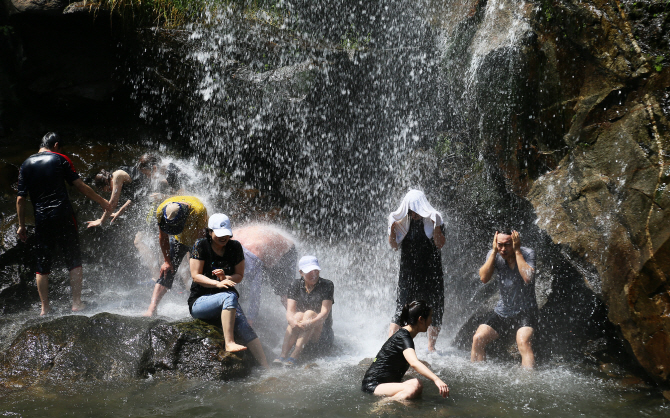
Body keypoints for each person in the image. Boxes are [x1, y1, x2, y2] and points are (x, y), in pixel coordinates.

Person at [16, 132, 112, 315]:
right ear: (56, 145)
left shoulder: (26, 164)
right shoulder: (60, 159)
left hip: (42, 218)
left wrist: (21, 225)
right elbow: (81, 186)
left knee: (42, 263)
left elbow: (20, 199)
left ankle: (45, 308)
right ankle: (77, 303)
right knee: (73, 258)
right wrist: (102, 202)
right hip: (64, 215)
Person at [188, 213, 268, 367]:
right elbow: (195, 276)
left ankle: (266, 367)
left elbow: (239, 275)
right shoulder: (201, 245)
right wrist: (216, 284)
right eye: (219, 234)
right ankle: (229, 342)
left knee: (244, 326)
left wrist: (226, 279)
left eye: (226, 234)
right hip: (200, 302)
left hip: (226, 300)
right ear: (210, 232)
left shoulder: (235, 246)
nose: (224, 238)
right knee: (229, 296)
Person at [387, 190, 445, 352]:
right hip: (408, 274)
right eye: (410, 211)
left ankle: (431, 348)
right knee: (401, 309)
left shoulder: (434, 219)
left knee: (435, 308)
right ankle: (390, 347)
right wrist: (392, 228)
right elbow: (393, 246)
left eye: (415, 211)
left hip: (431, 274)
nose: (413, 215)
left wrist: (438, 226)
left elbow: (440, 244)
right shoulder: (401, 222)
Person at [471, 230, 537, 368]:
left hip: (526, 311)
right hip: (503, 311)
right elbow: (483, 278)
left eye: (507, 245)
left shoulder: (527, 253)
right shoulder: (494, 254)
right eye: (499, 245)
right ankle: (477, 376)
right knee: (478, 338)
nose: (503, 249)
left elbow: (528, 278)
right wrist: (494, 252)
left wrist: (517, 251)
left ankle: (529, 383)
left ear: (515, 242)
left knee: (523, 341)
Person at [361, 300, 449, 400]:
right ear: (421, 320)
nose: (431, 321)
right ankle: (381, 406)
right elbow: (414, 363)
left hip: (383, 383)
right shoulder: (403, 337)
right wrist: (436, 379)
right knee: (415, 386)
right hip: (373, 385)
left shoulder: (404, 335)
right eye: (430, 317)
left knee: (417, 384)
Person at [142, 195, 207, 317]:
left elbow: (201, 238)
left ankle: (202, 306)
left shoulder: (199, 210)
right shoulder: (161, 210)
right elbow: (163, 237)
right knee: (166, 270)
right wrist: (167, 261)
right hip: (178, 240)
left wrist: (197, 260)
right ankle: (152, 309)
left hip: (197, 240)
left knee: (200, 272)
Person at [86, 154, 183, 228]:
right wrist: (119, 212)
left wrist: (101, 221)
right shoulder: (159, 176)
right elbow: (135, 198)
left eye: (106, 189)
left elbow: (113, 203)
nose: (147, 177)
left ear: (154, 168)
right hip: (167, 204)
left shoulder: (117, 175)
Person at [274, 255, 334, 366]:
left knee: (309, 313)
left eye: (316, 270)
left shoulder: (327, 285)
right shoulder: (295, 284)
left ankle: (295, 355)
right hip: (300, 331)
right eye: (309, 271)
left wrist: (310, 322)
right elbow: (290, 312)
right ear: (301, 272)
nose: (314, 274)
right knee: (297, 316)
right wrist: (292, 322)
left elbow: (324, 313)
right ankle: (283, 355)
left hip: (321, 334)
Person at [233, 224, 297, 323]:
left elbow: (255, 290)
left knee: (284, 293)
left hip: (285, 251)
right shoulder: (226, 239)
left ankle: (298, 322)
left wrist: (251, 319)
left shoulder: (252, 256)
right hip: (266, 245)